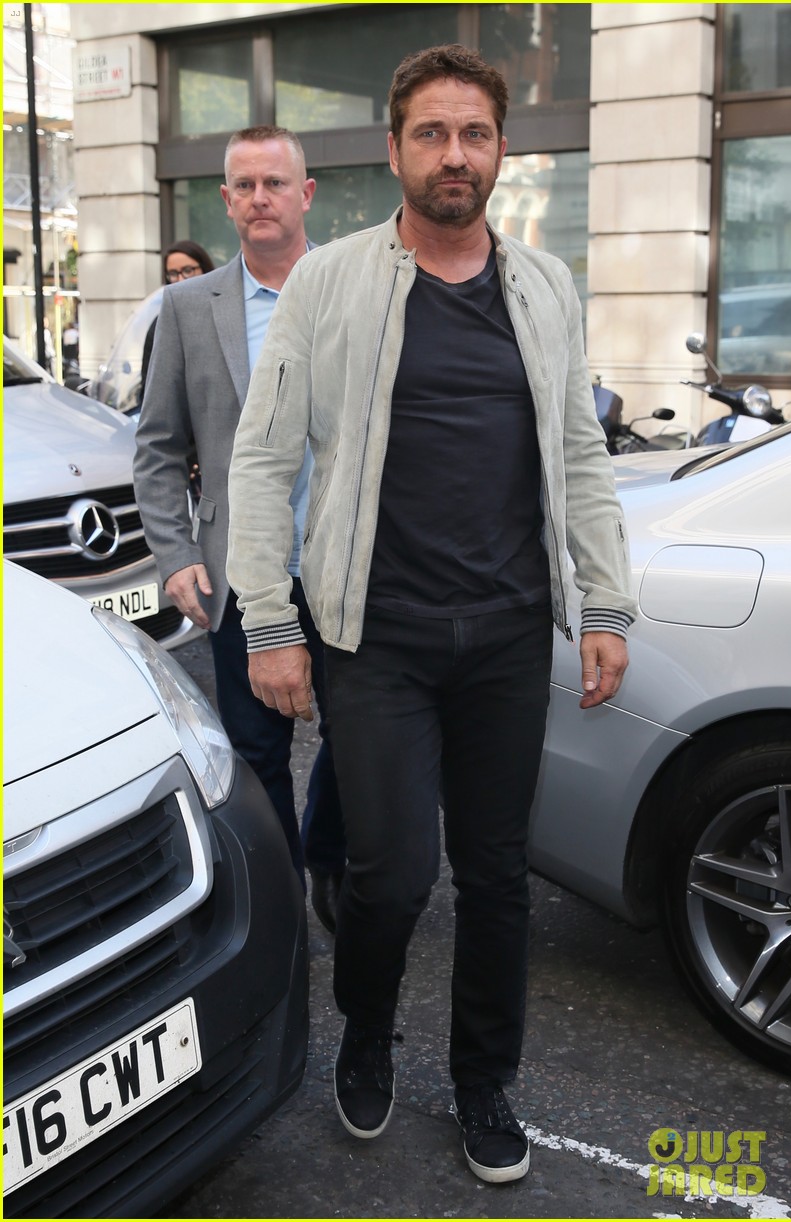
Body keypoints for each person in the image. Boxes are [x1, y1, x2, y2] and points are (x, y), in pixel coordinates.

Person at [226, 46, 637, 1184]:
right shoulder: (329, 282)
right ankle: (367, 1028)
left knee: (498, 877)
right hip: (376, 638)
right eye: (432, 133)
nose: (455, 154)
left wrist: (604, 599)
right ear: (395, 148)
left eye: (475, 134)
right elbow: (263, 459)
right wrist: (270, 622)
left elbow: (579, 454)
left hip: (507, 632)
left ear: (501, 150)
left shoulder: (544, 287)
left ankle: (483, 1079)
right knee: (393, 871)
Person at [133, 125, 346, 926]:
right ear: (226, 201)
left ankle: (328, 856)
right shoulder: (188, 308)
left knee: (359, 741)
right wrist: (174, 554)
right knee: (258, 753)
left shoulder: (353, 291)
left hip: (346, 566)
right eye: (245, 186)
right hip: (239, 575)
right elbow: (157, 448)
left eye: (275, 183)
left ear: (304, 193)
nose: (261, 198)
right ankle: (283, 900)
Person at [139, 240, 216, 401]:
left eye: (188, 270)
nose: (180, 279)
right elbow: (151, 388)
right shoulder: (160, 324)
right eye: (173, 274)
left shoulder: (225, 313)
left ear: (204, 268)